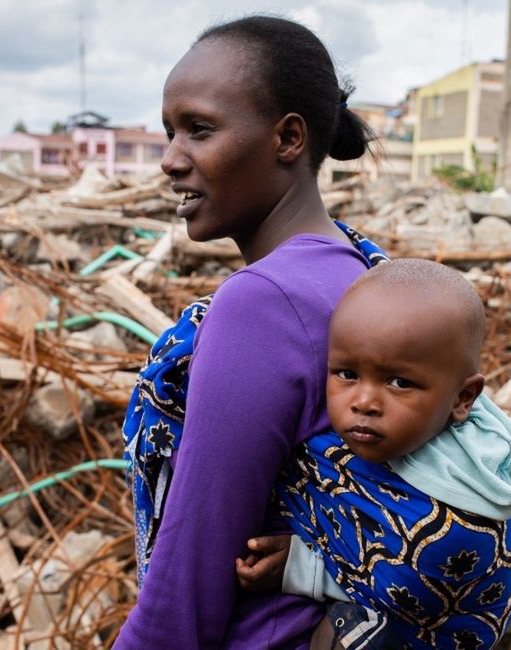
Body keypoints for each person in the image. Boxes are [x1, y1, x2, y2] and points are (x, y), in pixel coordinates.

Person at [116, 15, 387, 648]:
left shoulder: (263, 303)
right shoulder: (356, 266)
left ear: (288, 138)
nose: (170, 160)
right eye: (169, 132)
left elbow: (190, 580)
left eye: (199, 130)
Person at [237, 259, 511, 649]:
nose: (364, 402)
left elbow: (397, 586)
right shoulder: (389, 433)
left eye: (400, 382)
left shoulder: (455, 524)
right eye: (346, 374)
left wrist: (302, 567)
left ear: (463, 397)